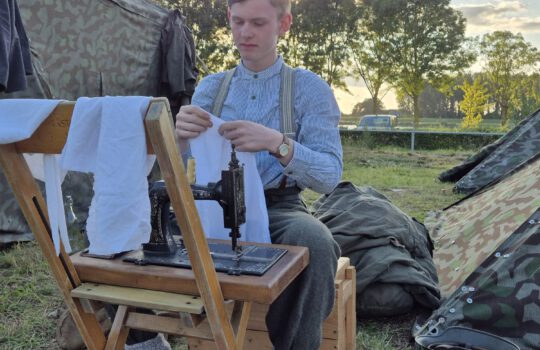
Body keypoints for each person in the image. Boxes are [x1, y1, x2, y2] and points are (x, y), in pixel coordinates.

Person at [175, 0, 342, 348]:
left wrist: (277, 143)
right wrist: (176, 136)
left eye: (259, 23)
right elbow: (176, 161)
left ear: (284, 24)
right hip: (212, 202)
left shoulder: (309, 89)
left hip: (279, 206)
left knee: (315, 242)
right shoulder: (210, 88)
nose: (245, 32)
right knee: (142, 225)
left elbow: (329, 175)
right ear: (228, 20)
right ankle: (144, 338)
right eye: (238, 22)